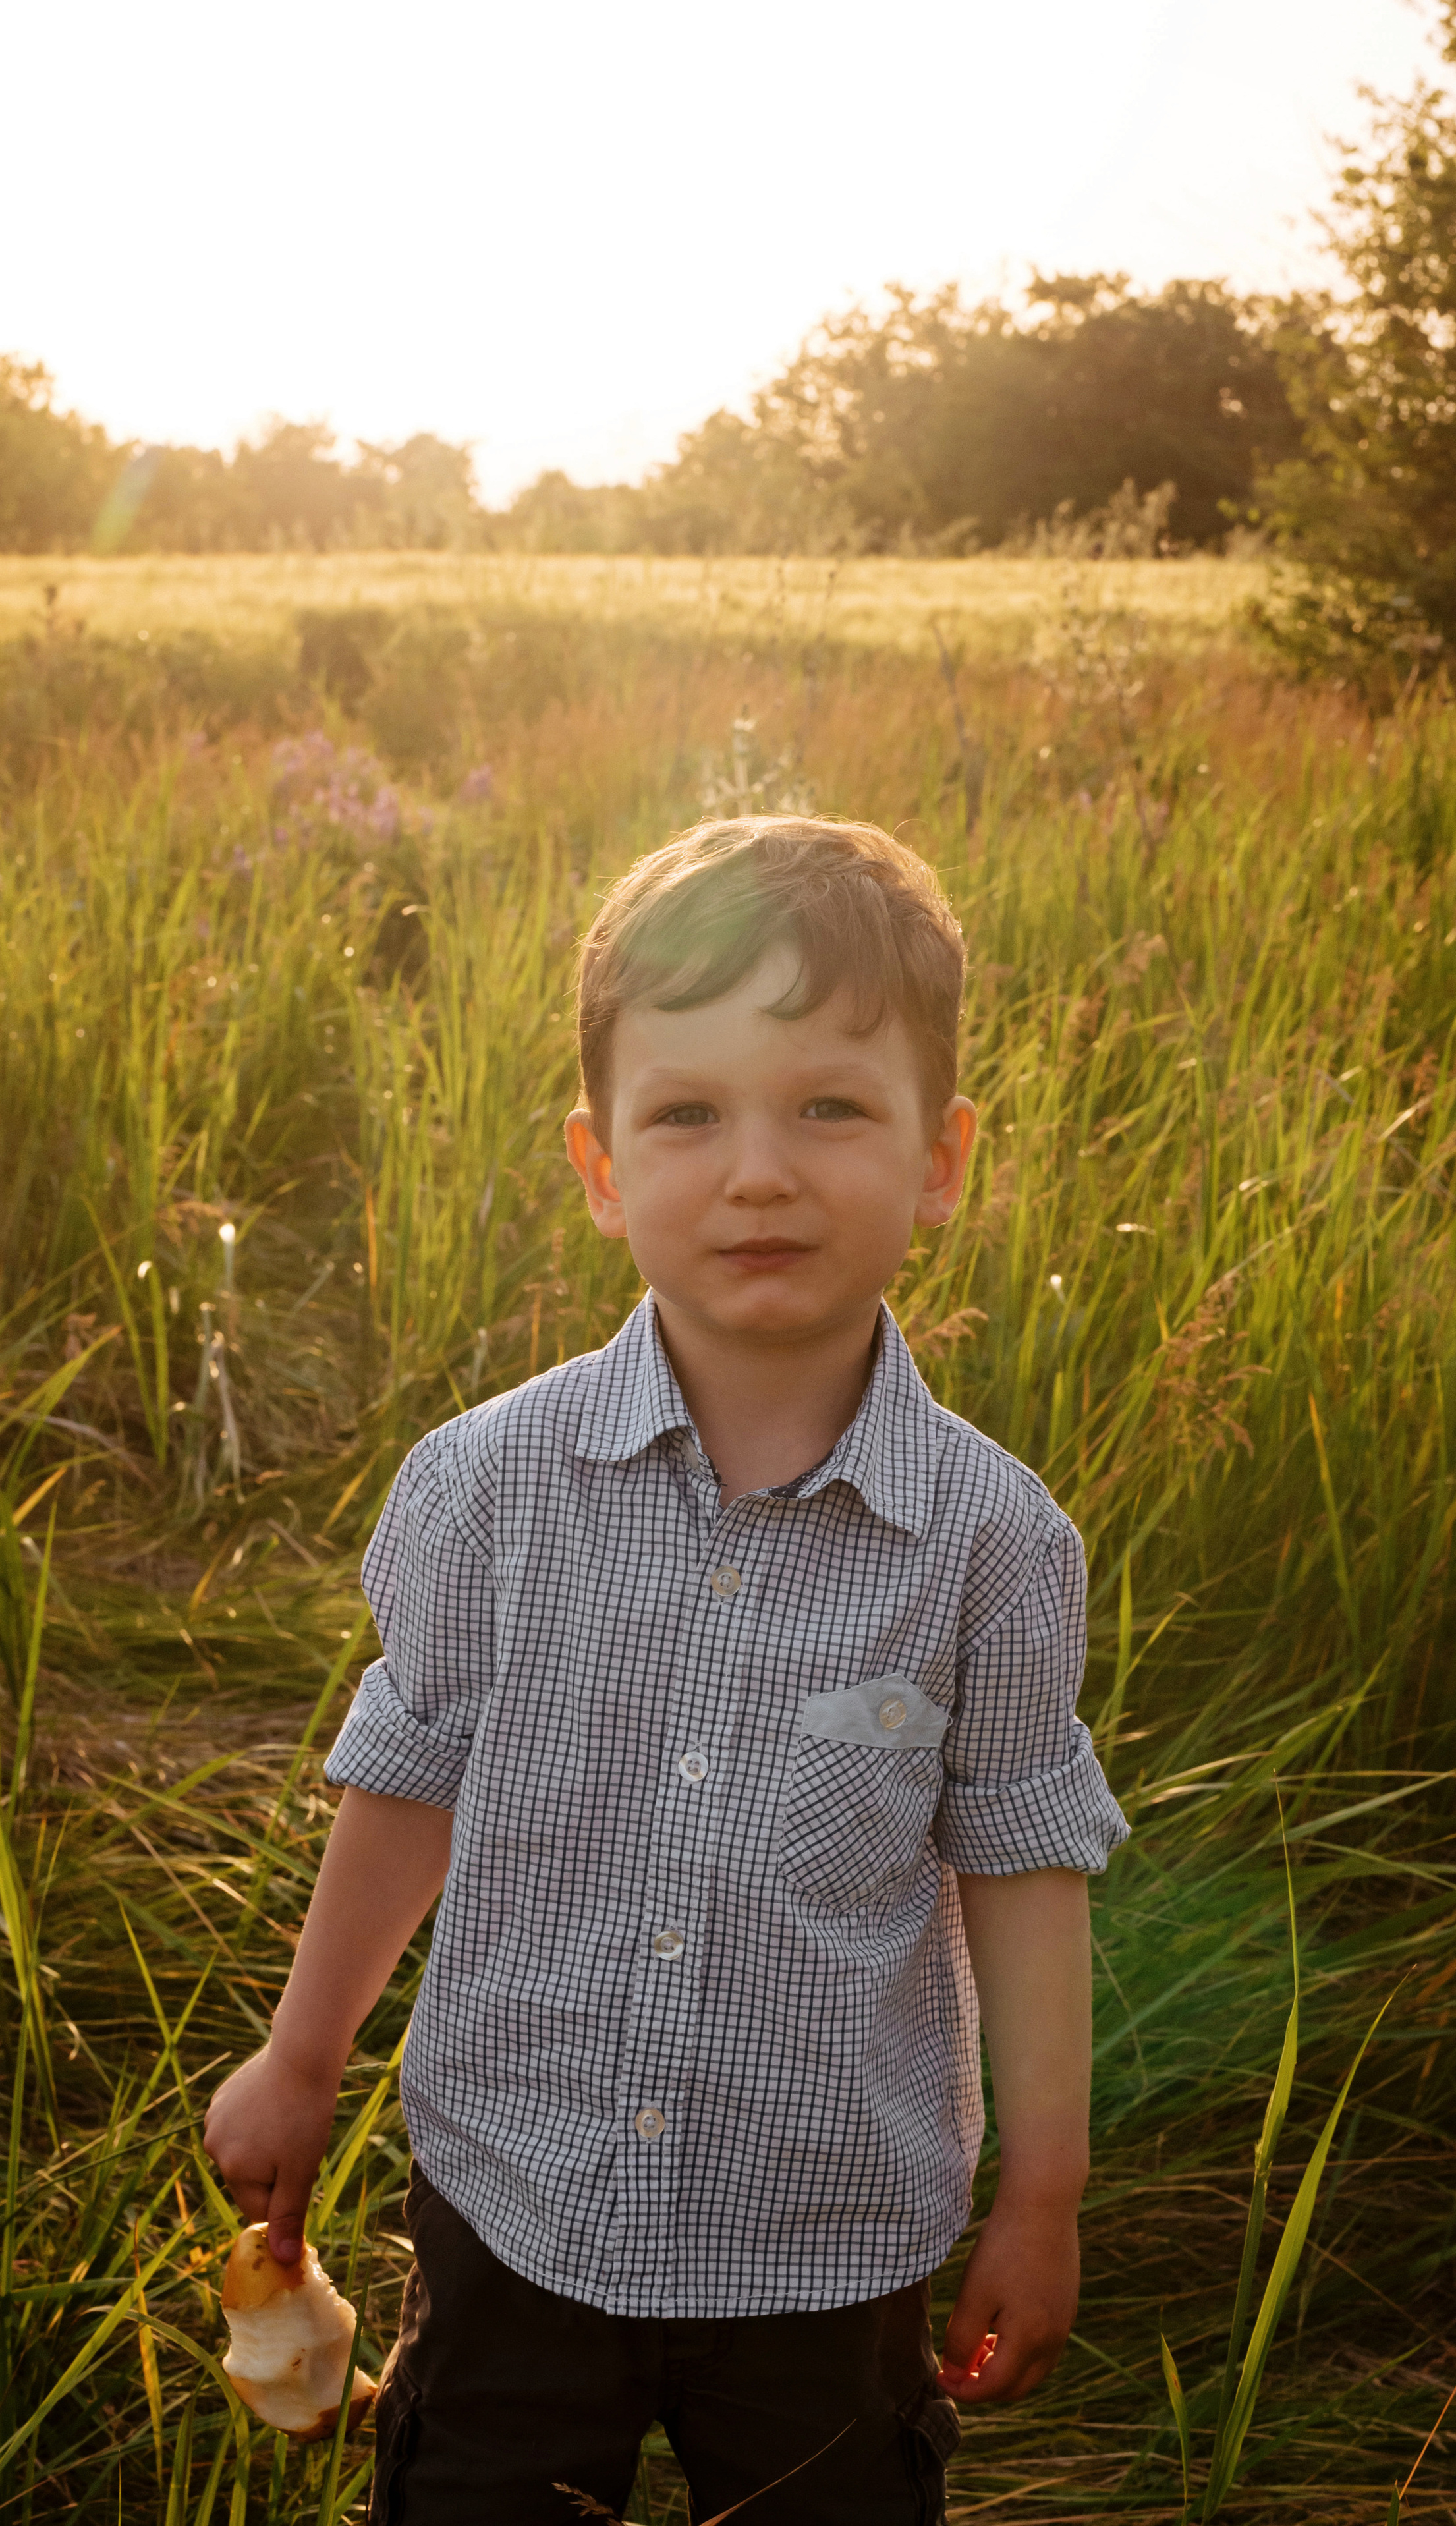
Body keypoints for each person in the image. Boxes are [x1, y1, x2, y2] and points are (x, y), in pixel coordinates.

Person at [204, 816, 1127, 2524]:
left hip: (827, 2242)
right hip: (517, 2200)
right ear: (602, 1163)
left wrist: (1044, 2192)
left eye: (830, 1105)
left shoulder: (995, 1541)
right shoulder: (488, 1483)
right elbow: (408, 1778)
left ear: (944, 1157)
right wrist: (303, 2054)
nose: (758, 1169)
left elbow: (1021, 1856)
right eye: (689, 1111)